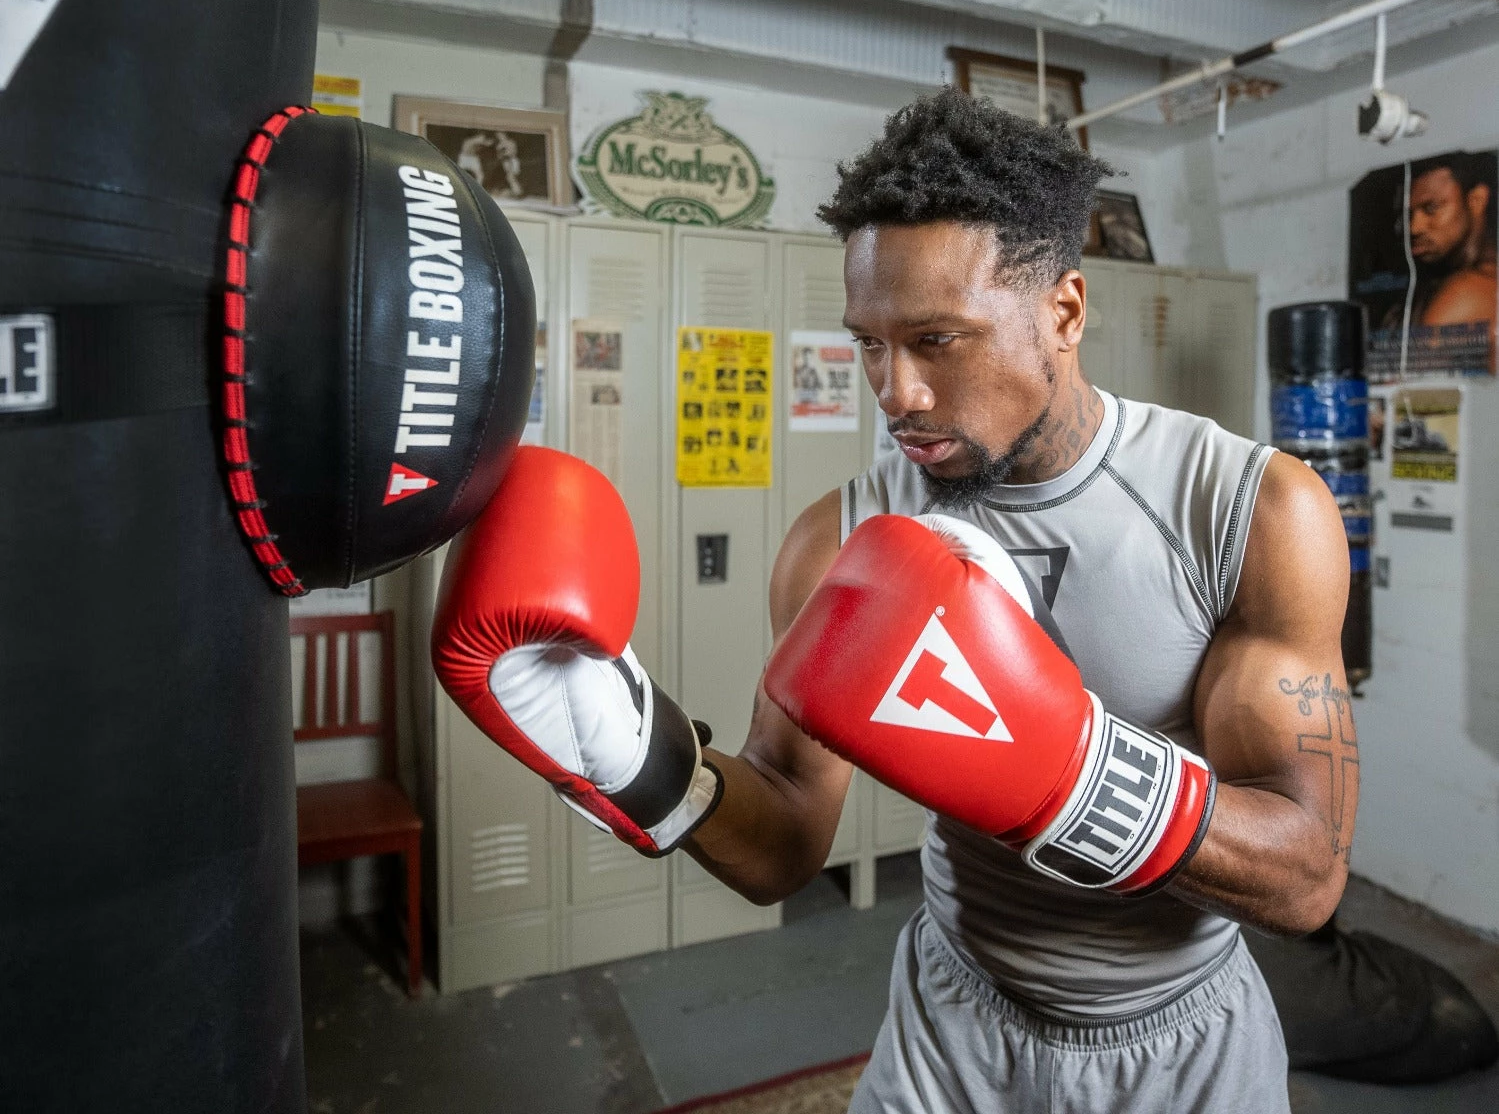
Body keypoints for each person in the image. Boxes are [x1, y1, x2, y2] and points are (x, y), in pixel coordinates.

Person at [433, 89, 1357, 1113]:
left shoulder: (1246, 510)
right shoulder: (841, 539)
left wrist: (1071, 775)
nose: (896, 392)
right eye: (869, 343)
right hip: (950, 1026)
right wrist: (640, 761)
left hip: (1178, 1038)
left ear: (1063, 311)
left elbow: (1305, 877)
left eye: (937, 340)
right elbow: (783, 843)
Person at [1409, 151, 1497, 329]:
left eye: (1431, 208)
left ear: (1476, 200)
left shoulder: (1468, 292)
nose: (1414, 228)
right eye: (1409, 214)